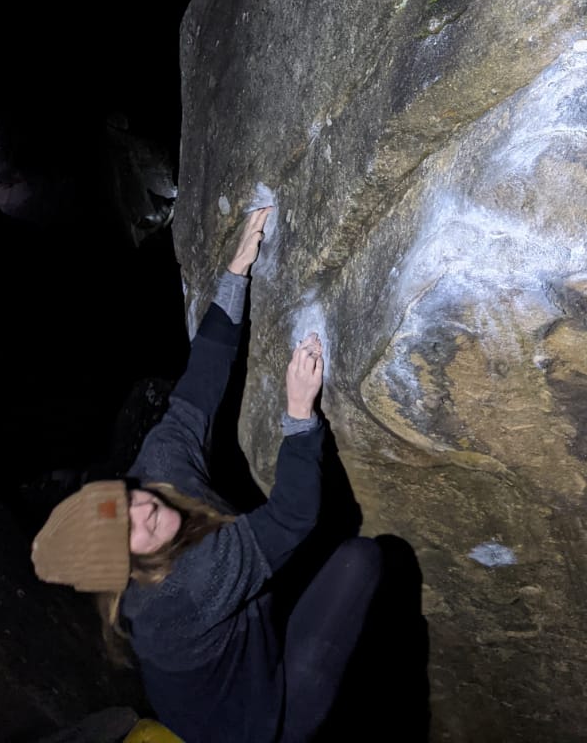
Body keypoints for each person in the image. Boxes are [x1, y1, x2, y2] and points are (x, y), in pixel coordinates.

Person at [31, 206, 382, 743]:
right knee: (361, 561)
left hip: (244, 633)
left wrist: (235, 272)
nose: (144, 511)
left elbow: (198, 388)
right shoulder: (178, 596)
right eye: (130, 537)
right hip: (257, 725)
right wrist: (297, 414)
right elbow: (292, 516)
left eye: (127, 503)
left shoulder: (156, 471)